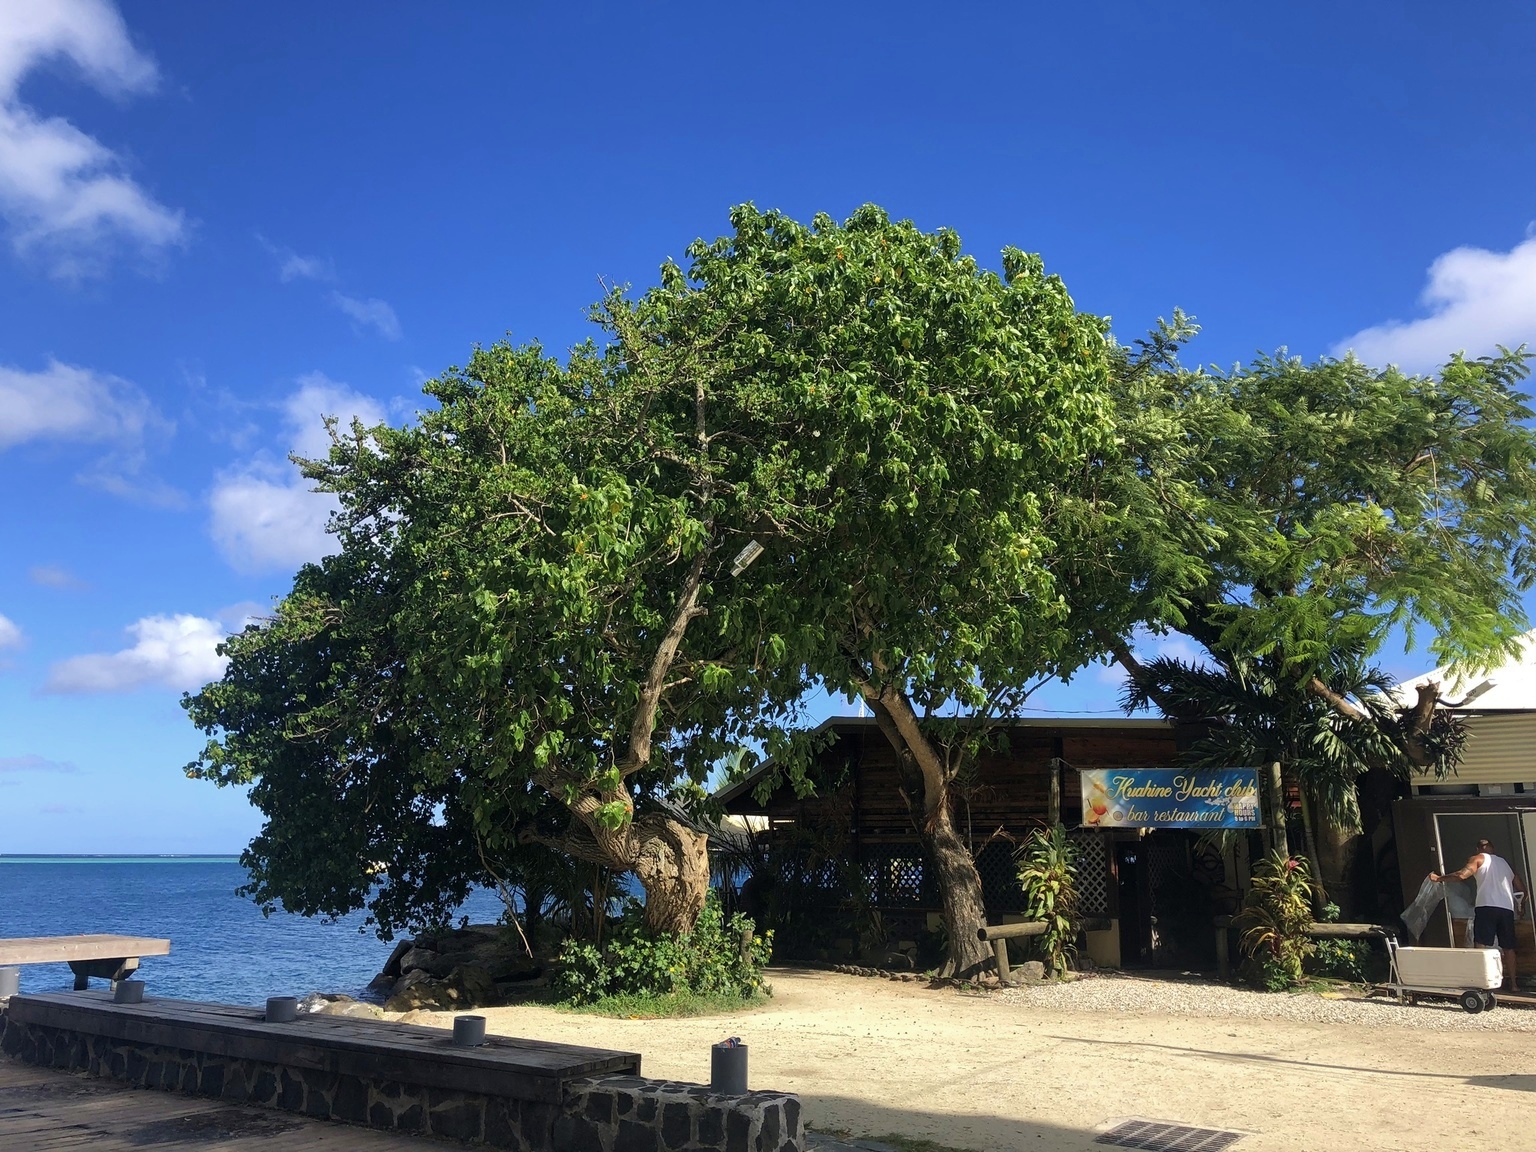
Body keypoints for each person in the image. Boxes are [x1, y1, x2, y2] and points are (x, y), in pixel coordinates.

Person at [1431, 839, 1526, 990]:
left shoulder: (1478, 858)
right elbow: (1521, 888)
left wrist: (1439, 879)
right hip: (1506, 909)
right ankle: (1514, 985)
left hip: (1486, 907)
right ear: (1493, 849)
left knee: (1481, 944)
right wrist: (1521, 906)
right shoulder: (1505, 864)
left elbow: (1462, 875)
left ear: (1477, 849)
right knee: (1508, 947)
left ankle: (1481, 982)